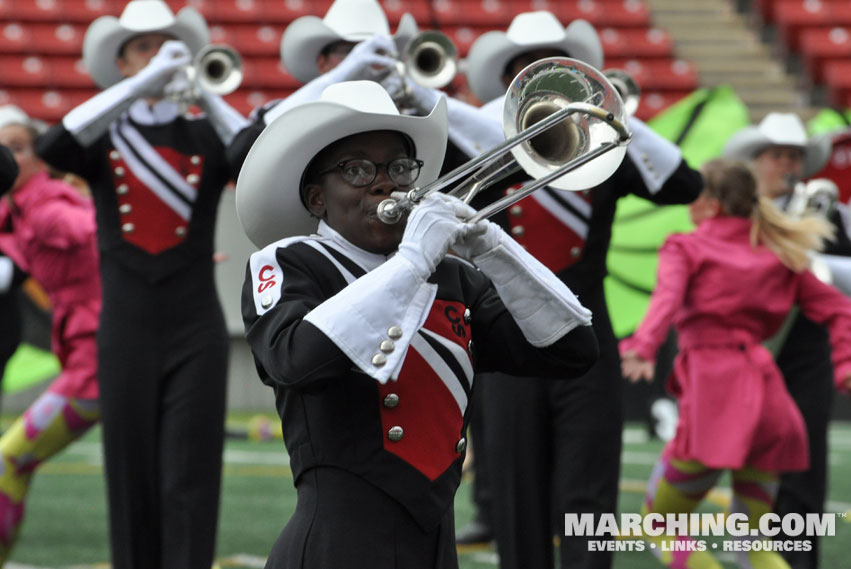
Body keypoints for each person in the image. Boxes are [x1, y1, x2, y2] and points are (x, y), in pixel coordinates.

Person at [236, 79, 600, 569]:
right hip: (336, 547)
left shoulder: (454, 278)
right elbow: (295, 361)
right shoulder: (291, 262)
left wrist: (494, 249)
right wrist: (410, 261)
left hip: (434, 548)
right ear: (317, 198)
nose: (386, 183)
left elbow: (572, 351)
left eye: (400, 167)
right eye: (358, 169)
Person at [460, 11, 704, 569]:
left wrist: (613, 112)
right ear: (508, 84)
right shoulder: (481, 152)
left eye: (556, 71)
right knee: (518, 497)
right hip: (507, 345)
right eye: (529, 72)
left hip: (587, 343)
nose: (543, 83)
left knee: (588, 498)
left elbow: (684, 184)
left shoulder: (604, 156)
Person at [35, 1, 247, 567]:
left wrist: (204, 88)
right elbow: (52, 146)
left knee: (192, 473)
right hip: (125, 323)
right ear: (123, 63)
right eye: (143, 49)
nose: (158, 57)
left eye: (165, 47)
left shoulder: (204, 131)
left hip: (195, 324)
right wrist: (137, 88)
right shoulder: (104, 137)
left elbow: (252, 150)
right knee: (129, 472)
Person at [620, 158, 851, 569]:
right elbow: (840, 308)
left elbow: (665, 301)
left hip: (715, 403)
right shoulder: (779, 253)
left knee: (658, 526)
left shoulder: (687, 245)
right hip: (770, 406)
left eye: (694, 193)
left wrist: (643, 345)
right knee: (756, 544)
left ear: (712, 202)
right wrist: (846, 364)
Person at [723, 113, 851, 569]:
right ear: (756, 161)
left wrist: (816, 267)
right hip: (745, 354)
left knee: (802, 466)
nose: (787, 164)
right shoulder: (737, 211)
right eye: (776, 156)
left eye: (794, 156)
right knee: (746, 467)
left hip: (804, 355)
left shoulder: (827, 211)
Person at [228, 0, 503, 174]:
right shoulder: (292, 112)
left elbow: (507, 154)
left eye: (374, 52)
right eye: (348, 51)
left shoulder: (418, 120)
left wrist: (424, 97)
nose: (363, 61)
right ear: (322, 63)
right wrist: (345, 74)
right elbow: (241, 155)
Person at [0, 107, 102, 566]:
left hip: (97, 364)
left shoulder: (46, 210)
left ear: (41, 157)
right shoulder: (19, 208)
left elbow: (100, 232)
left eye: (16, 148)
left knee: (8, 460)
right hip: (87, 355)